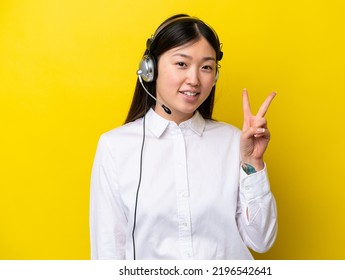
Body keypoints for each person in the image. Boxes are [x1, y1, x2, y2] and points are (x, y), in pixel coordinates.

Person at [90, 14, 278, 260]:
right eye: (181, 64)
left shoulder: (235, 142)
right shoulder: (115, 147)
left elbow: (262, 241)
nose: (194, 80)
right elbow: (108, 253)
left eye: (206, 67)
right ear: (151, 68)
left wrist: (253, 164)